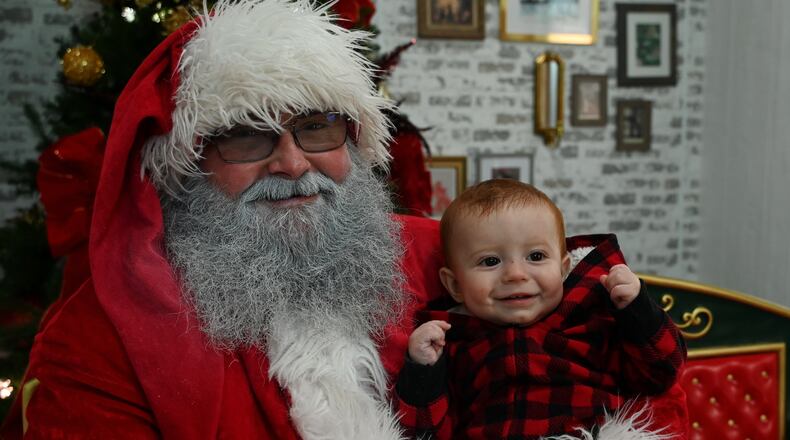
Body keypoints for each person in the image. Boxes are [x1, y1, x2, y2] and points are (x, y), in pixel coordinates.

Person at [0, 1, 449, 438]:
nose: (292, 165)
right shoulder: (98, 337)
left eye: (316, 127)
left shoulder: (447, 258)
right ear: (190, 165)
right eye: (246, 135)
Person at [394, 179, 687, 439]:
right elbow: (423, 430)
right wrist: (422, 371)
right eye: (490, 261)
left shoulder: (590, 316)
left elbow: (661, 371)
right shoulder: (453, 341)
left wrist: (637, 309)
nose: (515, 274)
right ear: (455, 285)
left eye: (535, 256)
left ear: (562, 270)